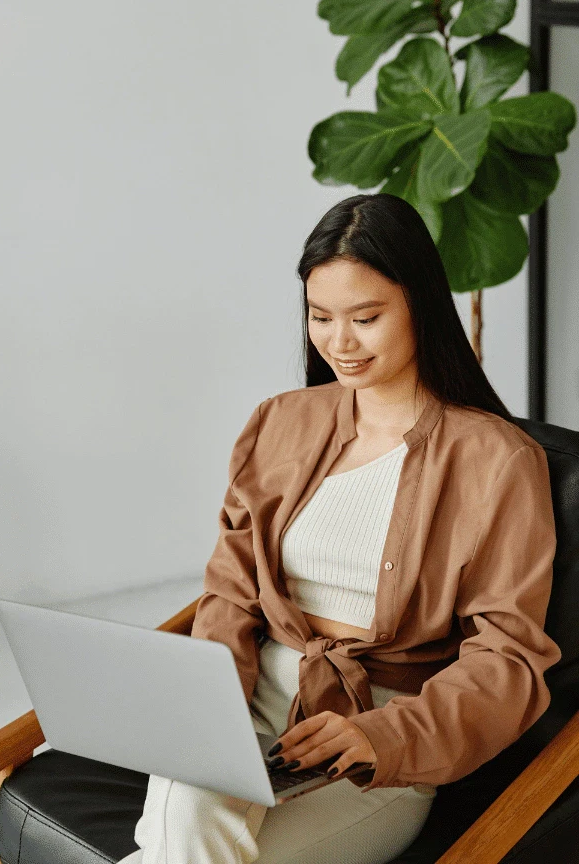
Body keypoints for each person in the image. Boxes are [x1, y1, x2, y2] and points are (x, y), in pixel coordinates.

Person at [117, 193, 561, 864]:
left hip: (382, 741)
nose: (339, 342)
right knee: (191, 805)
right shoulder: (279, 422)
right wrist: (210, 712)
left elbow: (508, 662)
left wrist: (384, 736)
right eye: (320, 317)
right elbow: (231, 595)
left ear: (421, 306)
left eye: (366, 317)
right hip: (248, 704)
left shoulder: (498, 462)